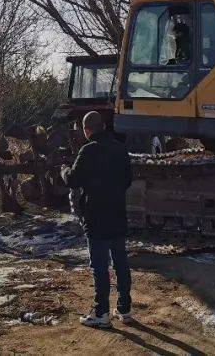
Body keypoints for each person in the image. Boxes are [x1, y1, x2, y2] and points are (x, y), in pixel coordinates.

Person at [62, 110, 133, 328]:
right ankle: (124, 308)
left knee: (100, 266)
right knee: (121, 262)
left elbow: (73, 180)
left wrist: (63, 170)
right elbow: (128, 180)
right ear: (103, 126)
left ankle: (101, 313)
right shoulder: (120, 149)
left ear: (87, 130)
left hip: (96, 217)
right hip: (118, 214)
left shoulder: (88, 151)